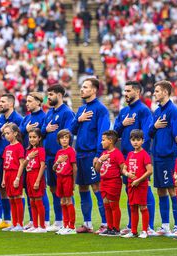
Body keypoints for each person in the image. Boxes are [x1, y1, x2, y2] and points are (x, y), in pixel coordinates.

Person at [114, 80, 156, 236]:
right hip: (126, 156)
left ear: (137, 92)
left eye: (128, 91)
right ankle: (132, 225)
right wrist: (122, 124)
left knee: (145, 189)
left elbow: (146, 134)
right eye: (124, 91)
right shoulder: (123, 111)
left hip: (139, 157)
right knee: (129, 189)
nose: (125, 93)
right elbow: (115, 133)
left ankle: (149, 226)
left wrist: (141, 156)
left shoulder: (144, 111)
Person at [71, 78, 109, 234]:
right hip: (79, 154)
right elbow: (71, 130)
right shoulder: (81, 109)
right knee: (82, 188)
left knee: (97, 188)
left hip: (92, 154)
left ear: (94, 90)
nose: (82, 90)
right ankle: (87, 223)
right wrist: (79, 120)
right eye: (81, 87)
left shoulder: (101, 109)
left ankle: (106, 223)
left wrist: (98, 154)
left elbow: (103, 132)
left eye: (85, 87)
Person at [148, 80, 177, 236]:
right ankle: (165, 226)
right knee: (161, 190)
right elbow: (149, 132)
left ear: (166, 93)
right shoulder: (157, 111)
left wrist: (176, 151)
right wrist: (155, 126)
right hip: (158, 156)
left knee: (172, 190)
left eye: (157, 91)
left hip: (169, 156)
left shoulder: (173, 111)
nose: (154, 93)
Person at [41, 85, 75, 232]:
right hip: (50, 157)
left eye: (51, 94)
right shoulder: (49, 112)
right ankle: (59, 220)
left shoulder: (67, 112)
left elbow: (68, 132)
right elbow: (42, 130)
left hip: (62, 157)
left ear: (60, 95)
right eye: (48, 94)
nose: (48, 97)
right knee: (54, 189)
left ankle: (69, 223)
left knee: (66, 192)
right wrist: (46, 129)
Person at [19, 92, 50, 230]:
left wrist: (42, 130)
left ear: (38, 102)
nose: (27, 103)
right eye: (27, 101)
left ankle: (46, 221)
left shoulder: (44, 116)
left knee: (41, 191)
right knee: (29, 191)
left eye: (30, 101)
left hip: (39, 158)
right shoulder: (26, 118)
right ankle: (33, 220)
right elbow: (18, 132)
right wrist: (25, 129)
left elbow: (44, 133)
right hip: (28, 157)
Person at [0, 94, 23, 229]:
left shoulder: (18, 119)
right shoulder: (0, 119)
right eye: (0, 101)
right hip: (2, 157)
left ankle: (20, 222)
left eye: (3, 101)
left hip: (15, 160)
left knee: (17, 191)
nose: (0, 103)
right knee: (3, 188)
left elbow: (23, 138)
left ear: (11, 104)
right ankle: (7, 219)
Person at [121, 130, 153, 239]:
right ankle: (134, 231)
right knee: (133, 207)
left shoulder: (145, 154)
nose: (135, 142)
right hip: (131, 184)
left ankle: (144, 231)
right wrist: (127, 174)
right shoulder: (130, 154)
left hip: (141, 185)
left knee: (143, 207)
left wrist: (139, 180)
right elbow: (124, 169)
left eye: (138, 140)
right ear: (130, 141)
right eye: (133, 140)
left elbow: (149, 171)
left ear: (142, 141)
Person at [95, 130, 125, 236]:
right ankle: (110, 227)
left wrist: (122, 174)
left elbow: (122, 167)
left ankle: (116, 229)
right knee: (106, 204)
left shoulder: (117, 153)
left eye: (103, 140)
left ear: (110, 141)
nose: (101, 142)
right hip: (103, 182)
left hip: (113, 182)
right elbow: (97, 169)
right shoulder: (103, 154)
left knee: (113, 204)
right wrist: (100, 160)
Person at [1, 123, 25, 232]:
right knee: (11, 198)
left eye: (8, 133)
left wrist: (18, 178)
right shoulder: (6, 148)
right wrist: (3, 179)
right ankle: (14, 223)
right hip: (8, 175)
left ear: (15, 133)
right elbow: (5, 165)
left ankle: (20, 223)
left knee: (17, 198)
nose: (6, 136)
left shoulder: (19, 147)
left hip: (15, 174)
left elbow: (21, 164)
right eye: (5, 133)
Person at [53, 129, 77, 235]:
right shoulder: (59, 152)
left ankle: (71, 226)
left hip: (67, 178)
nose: (64, 140)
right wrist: (58, 162)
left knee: (68, 200)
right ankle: (65, 224)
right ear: (59, 140)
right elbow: (54, 168)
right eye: (62, 138)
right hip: (59, 178)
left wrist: (73, 182)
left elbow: (74, 167)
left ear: (69, 139)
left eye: (66, 137)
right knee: (62, 201)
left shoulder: (71, 151)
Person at [22, 128, 46, 233]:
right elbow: (24, 165)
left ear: (39, 138)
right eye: (30, 137)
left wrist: (37, 180)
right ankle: (35, 225)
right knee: (32, 201)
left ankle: (42, 226)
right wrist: (28, 160)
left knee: (38, 201)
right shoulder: (29, 150)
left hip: (36, 177)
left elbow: (42, 166)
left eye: (34, 137)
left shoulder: (41, 150)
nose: (32, 139)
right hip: (29, 177)